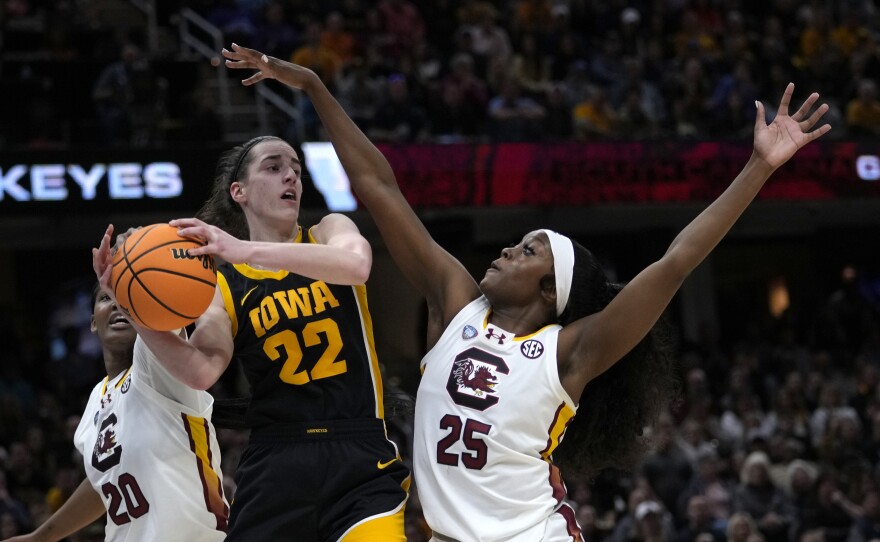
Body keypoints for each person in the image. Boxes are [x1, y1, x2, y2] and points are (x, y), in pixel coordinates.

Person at [219, 43, 830, 541]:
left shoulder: (570, 351)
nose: (509, 249)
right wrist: (317, 90)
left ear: (548, 288)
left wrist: (759, 168)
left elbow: (677, 262)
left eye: (529, 250)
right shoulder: (458, 304)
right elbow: (380, 187)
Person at [91, 64, 410, 542]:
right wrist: (132, 305)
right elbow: (201, 372)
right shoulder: (223, 285)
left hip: (359, 449)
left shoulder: (328, 231)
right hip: (276, 458)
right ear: (238, 192)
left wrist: (240, 249)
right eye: (274, 167)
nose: (291, 177)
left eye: (296, 170)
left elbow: (356, 267)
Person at [2, 285, 227, 542]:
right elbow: (105, 482)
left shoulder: (159, 366)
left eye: (125, 298)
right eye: (106, 297)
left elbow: (160, 308)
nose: (117, 304)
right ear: (93, 323)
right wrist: (40, 537)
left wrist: (132, 262)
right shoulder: (97, 398)